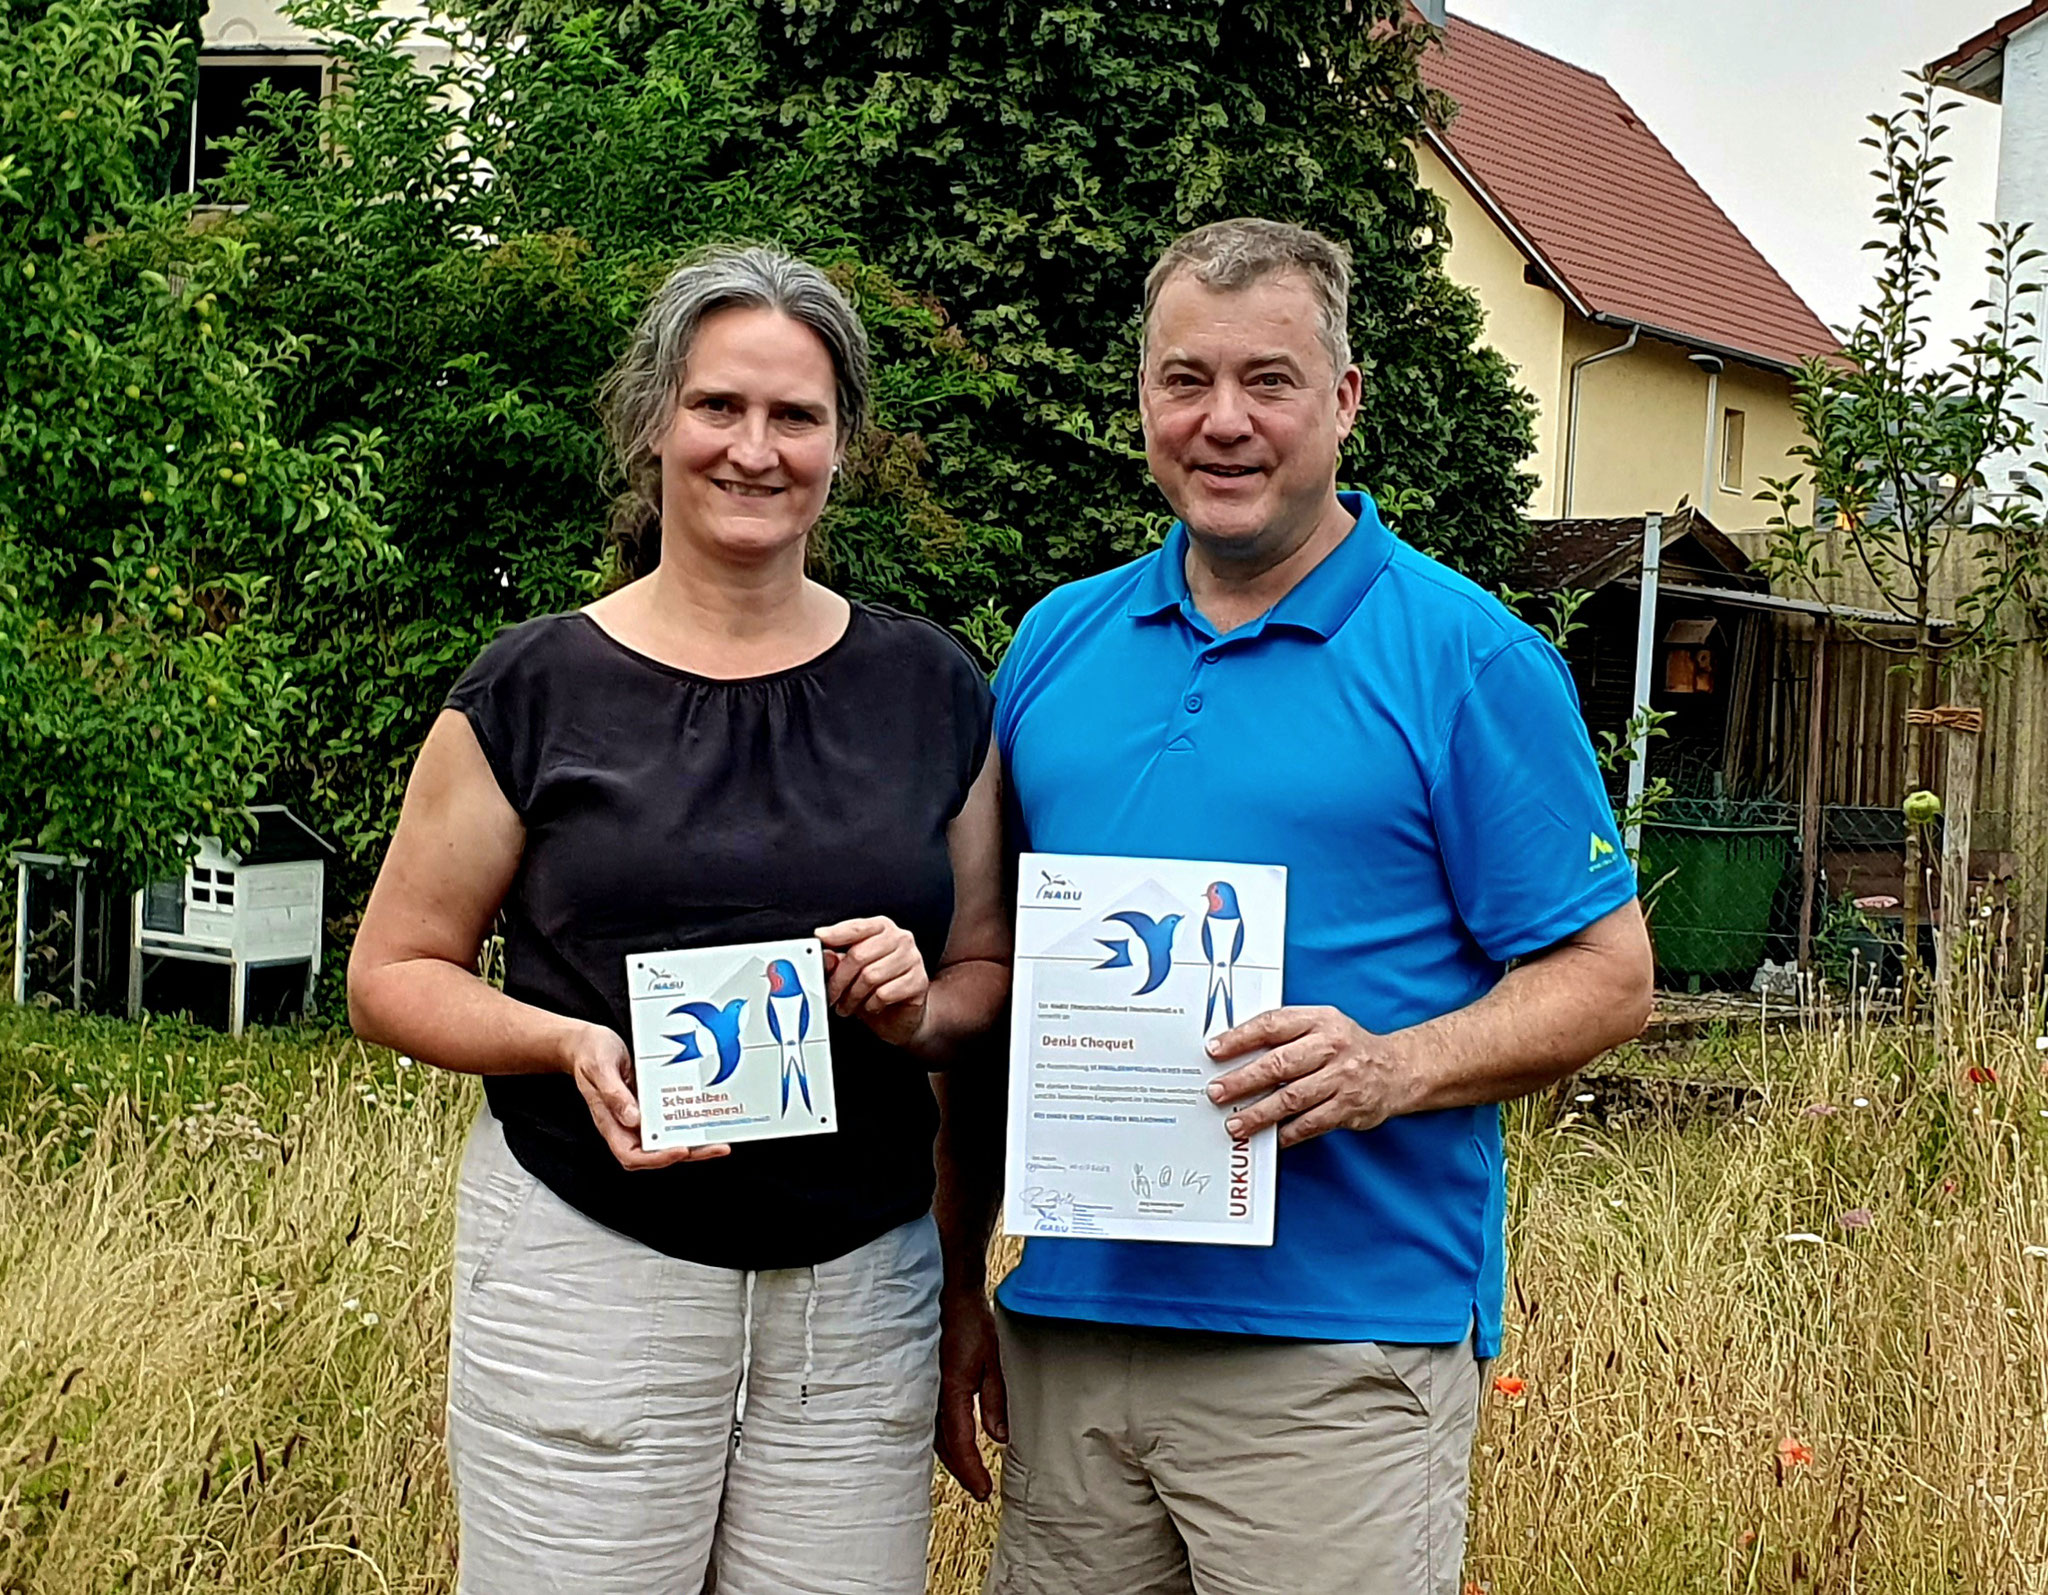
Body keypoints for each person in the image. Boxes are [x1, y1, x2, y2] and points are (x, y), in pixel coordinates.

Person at [933, 219, 1654, 1595]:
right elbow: (994, 990)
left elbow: (1608, 976)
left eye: (1268, 381)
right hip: (1073, 1333)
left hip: (1336, 1352)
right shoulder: (1054, 644)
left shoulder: (1466, 657)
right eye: (1183, 380)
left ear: (1344, 401)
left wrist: (1390, 1066)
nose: (1222, 422)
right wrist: (963, 1283)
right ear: (1141, 396)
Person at [348, 245, 1008, 1595]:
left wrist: (918, 1000)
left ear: (843, 445)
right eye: (718, 407)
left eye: (794, 417)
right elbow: (392, 973)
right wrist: (563, 1046)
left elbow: (989, 971)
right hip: (592, 1266)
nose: (752, 449)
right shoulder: (532, 690)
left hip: (855, 1289)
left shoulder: (933, 688)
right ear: (653, 422)